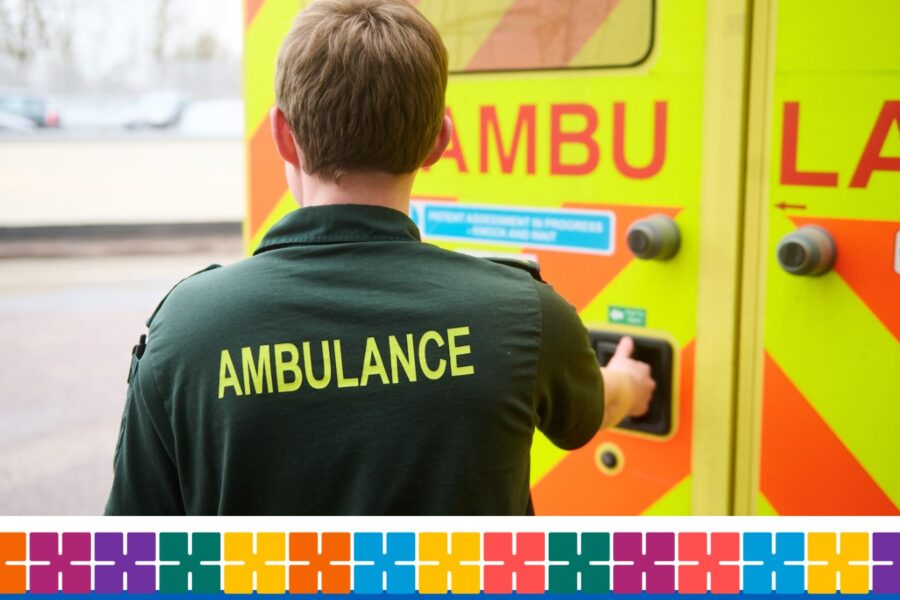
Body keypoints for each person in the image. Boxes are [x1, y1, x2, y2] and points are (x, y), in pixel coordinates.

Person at [104, 0, 655, 516]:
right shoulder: (526, 314)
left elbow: (132, 544)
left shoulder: (187, 330)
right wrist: (628, 383)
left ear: (282, 137)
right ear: (439, 141)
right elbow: (587, 413)